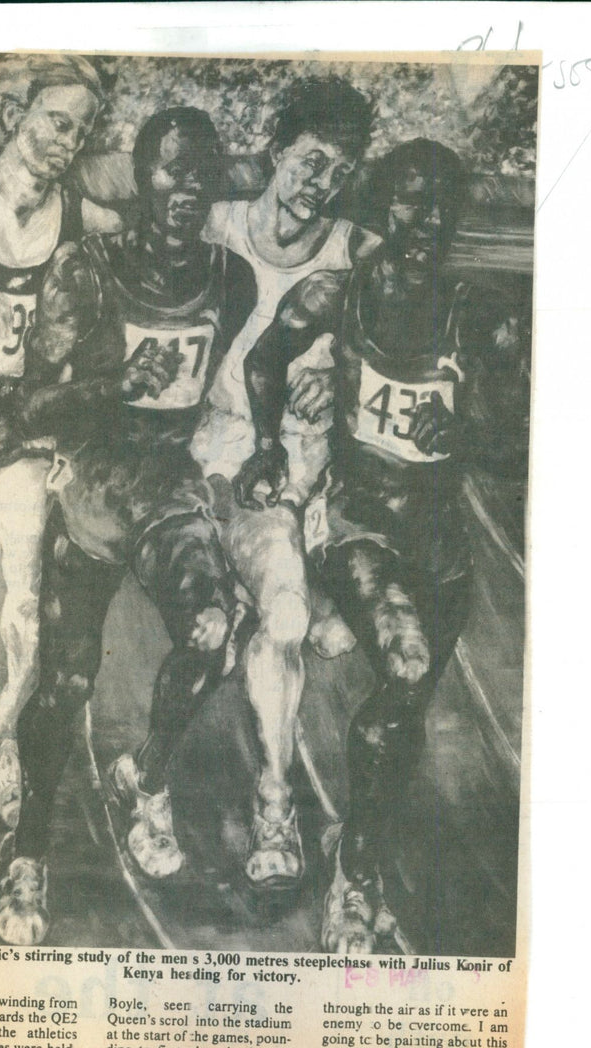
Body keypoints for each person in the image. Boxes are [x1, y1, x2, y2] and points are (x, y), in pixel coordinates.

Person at [237, 138, 531, 950]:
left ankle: (351, 843)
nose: (426, 219)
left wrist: (467, 422)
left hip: (439, 544)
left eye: (442, 203)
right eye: (409, 199)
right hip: (358, 524)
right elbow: (264, 359)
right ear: (381, 206)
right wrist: (267, 447)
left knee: (400, 717)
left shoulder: (481, 316)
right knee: (401, 666)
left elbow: (517, 445)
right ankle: (355, 874)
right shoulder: (339, 293)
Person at [0, 106, 262, 945]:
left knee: (214, 630)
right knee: (67, 681)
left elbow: (200, 392)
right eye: (170, 171)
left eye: (202, 174)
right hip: (94, 482)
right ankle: (28, 852)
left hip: (165, 485)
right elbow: (33, 404)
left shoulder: (231, 277)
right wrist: (113, 379)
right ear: (141, 180)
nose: (187, 189)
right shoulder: (90, 266)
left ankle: (145, 779)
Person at [189, 76, 379, 889]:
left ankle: (280, 589)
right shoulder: (214, 227)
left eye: (339, 170)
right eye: (308, 161)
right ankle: (276, 795)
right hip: (226, 450)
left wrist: (342, 368)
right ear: (273, 152)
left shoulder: (356, 251)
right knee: (291, 612)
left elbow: (395, 339)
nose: (319, 184)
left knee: (307, 614)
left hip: (319, 460)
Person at [0, 55, 119, 829]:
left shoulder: (80, 216)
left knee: (30, 589)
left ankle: (3, 729)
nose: (64, 140)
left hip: (20, 421)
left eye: (80, 130)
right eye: (54, 120)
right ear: (16, 114)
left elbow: (169, 219)